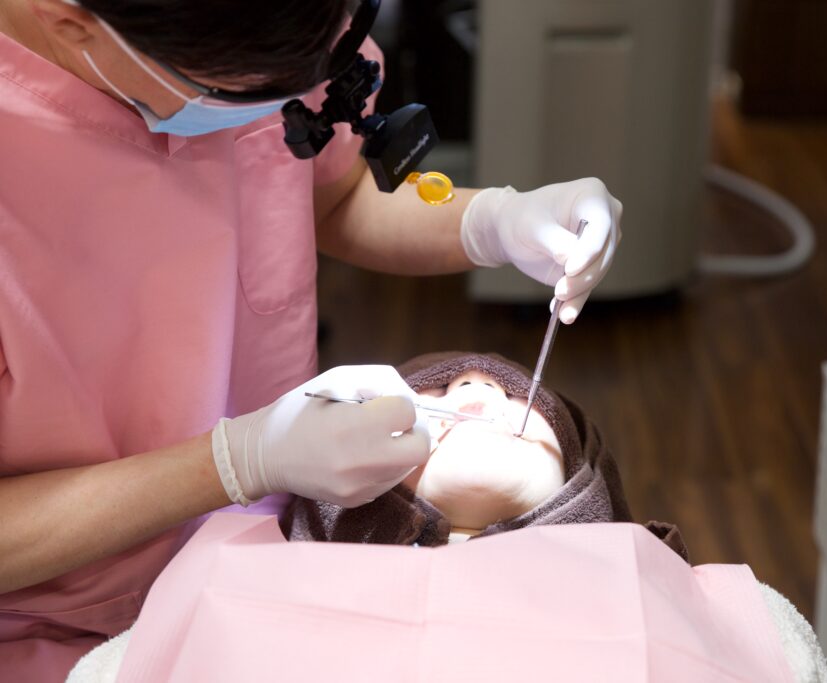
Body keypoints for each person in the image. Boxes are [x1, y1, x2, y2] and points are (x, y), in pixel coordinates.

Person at [0, 1, 623, 679]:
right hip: (63, 632)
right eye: (239, 91)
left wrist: (494, 221)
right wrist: (239, 462)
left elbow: (337, 195)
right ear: (67, 19)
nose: (475, 390)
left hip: (269, 573)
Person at [285, 353, 688, 556]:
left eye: (513, 393)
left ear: (581, 484)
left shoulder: (647, 598)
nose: (476, 386)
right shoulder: (280, 593)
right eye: (440, 389)